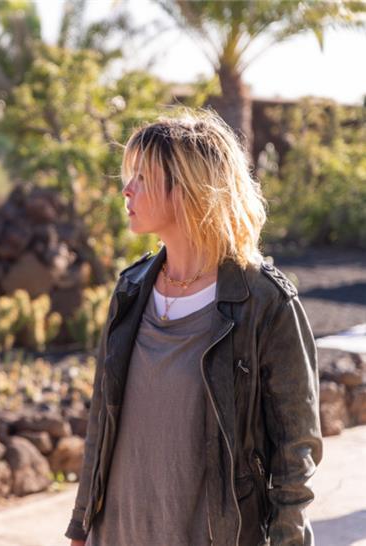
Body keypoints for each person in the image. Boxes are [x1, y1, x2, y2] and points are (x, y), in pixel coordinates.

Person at [66, 110, 322, 546]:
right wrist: (81, 526)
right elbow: (101, 422)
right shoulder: (131, 289)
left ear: (187, 189)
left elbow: (295, 452)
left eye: (142, 178)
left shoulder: (265, 301)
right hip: (116, 533)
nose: (126, 190)